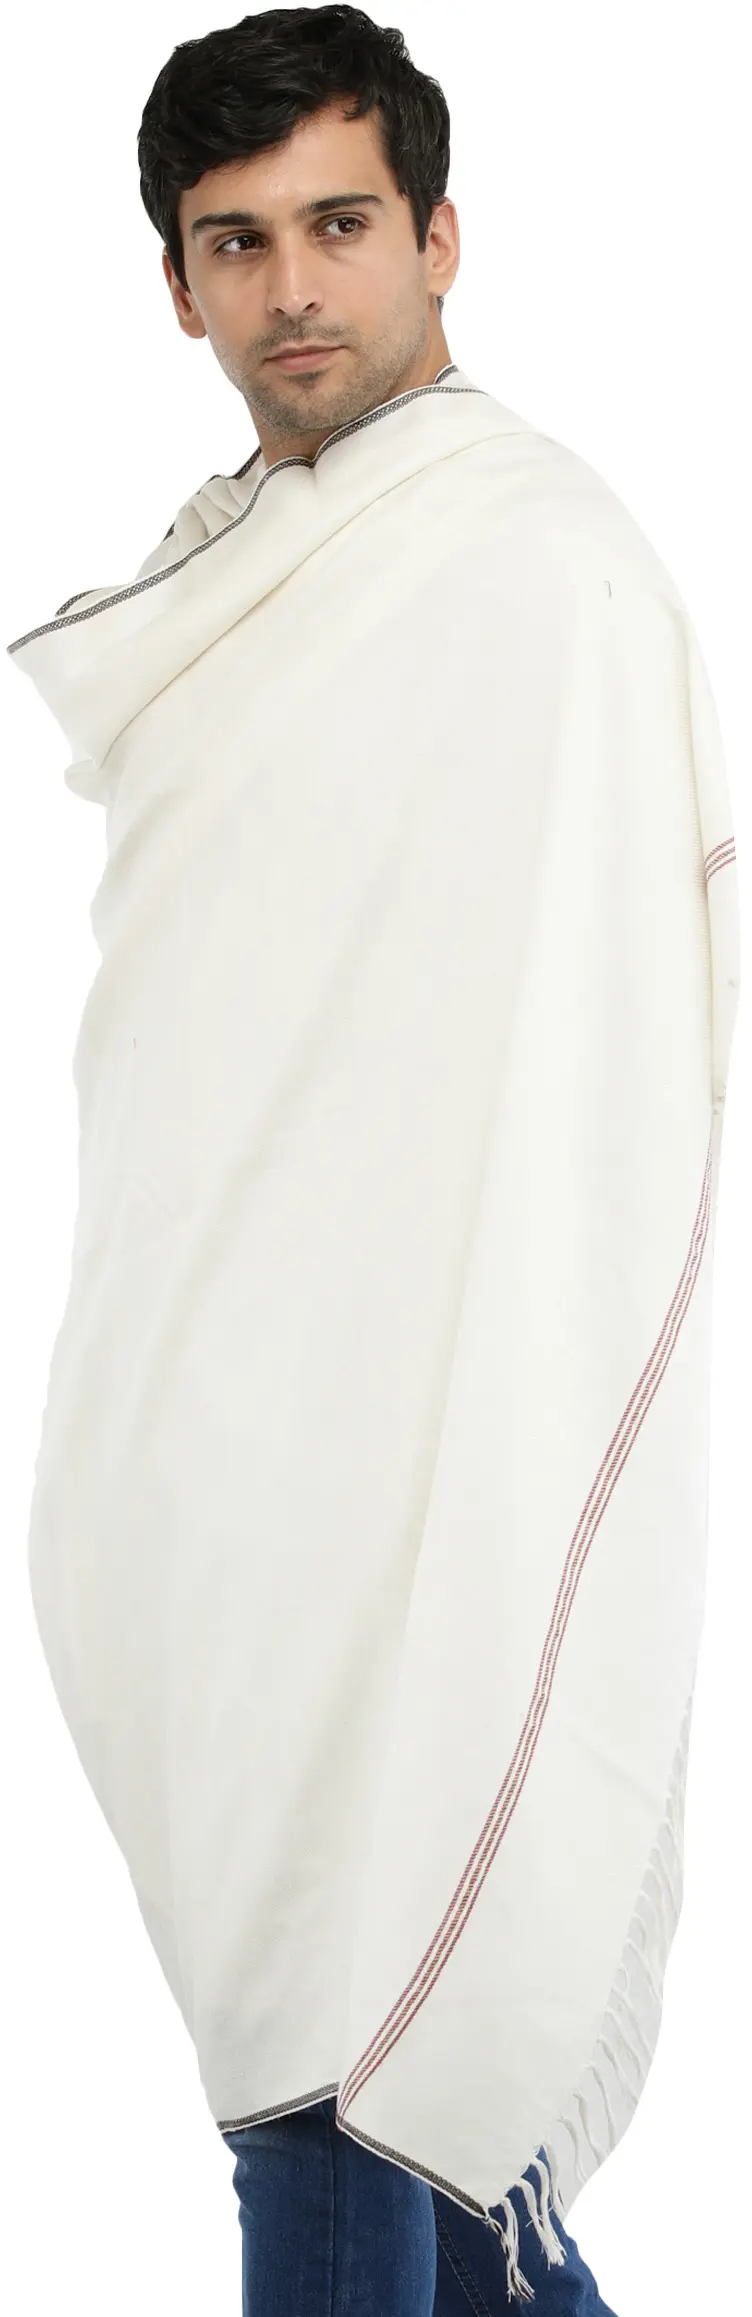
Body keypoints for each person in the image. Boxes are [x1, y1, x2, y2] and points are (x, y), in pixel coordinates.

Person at [8, 9, 739, 2314]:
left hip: (434, 1486)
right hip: (205, 1482)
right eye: (235, 244)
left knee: (341, 2085)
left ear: (439, 238)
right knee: (389, 2135)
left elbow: (601, 1064)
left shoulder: (536, 570)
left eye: (339, 224)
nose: (291, 287)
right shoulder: (227, 587)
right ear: (175, 286)